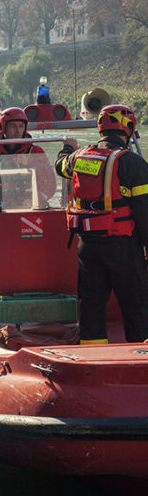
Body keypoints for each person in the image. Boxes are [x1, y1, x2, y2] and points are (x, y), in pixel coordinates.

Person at [55, 104, 148, 344]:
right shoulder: (132, 163)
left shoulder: (79, 157)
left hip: (87, 245)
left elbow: (60, 166)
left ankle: (93, 357)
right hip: (122, 245)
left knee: (92, 304)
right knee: (136, 303)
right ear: (128, 128)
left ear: (100, 129)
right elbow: (144, 212)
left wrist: (67, 147)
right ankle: (140, 357)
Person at [0, 107, 57, 206]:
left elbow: (50, 183)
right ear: (3, 127)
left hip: (30, 205)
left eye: (21, 126)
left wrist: (37, 200)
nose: (18, 130)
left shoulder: (35, 152)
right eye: (13, 126)